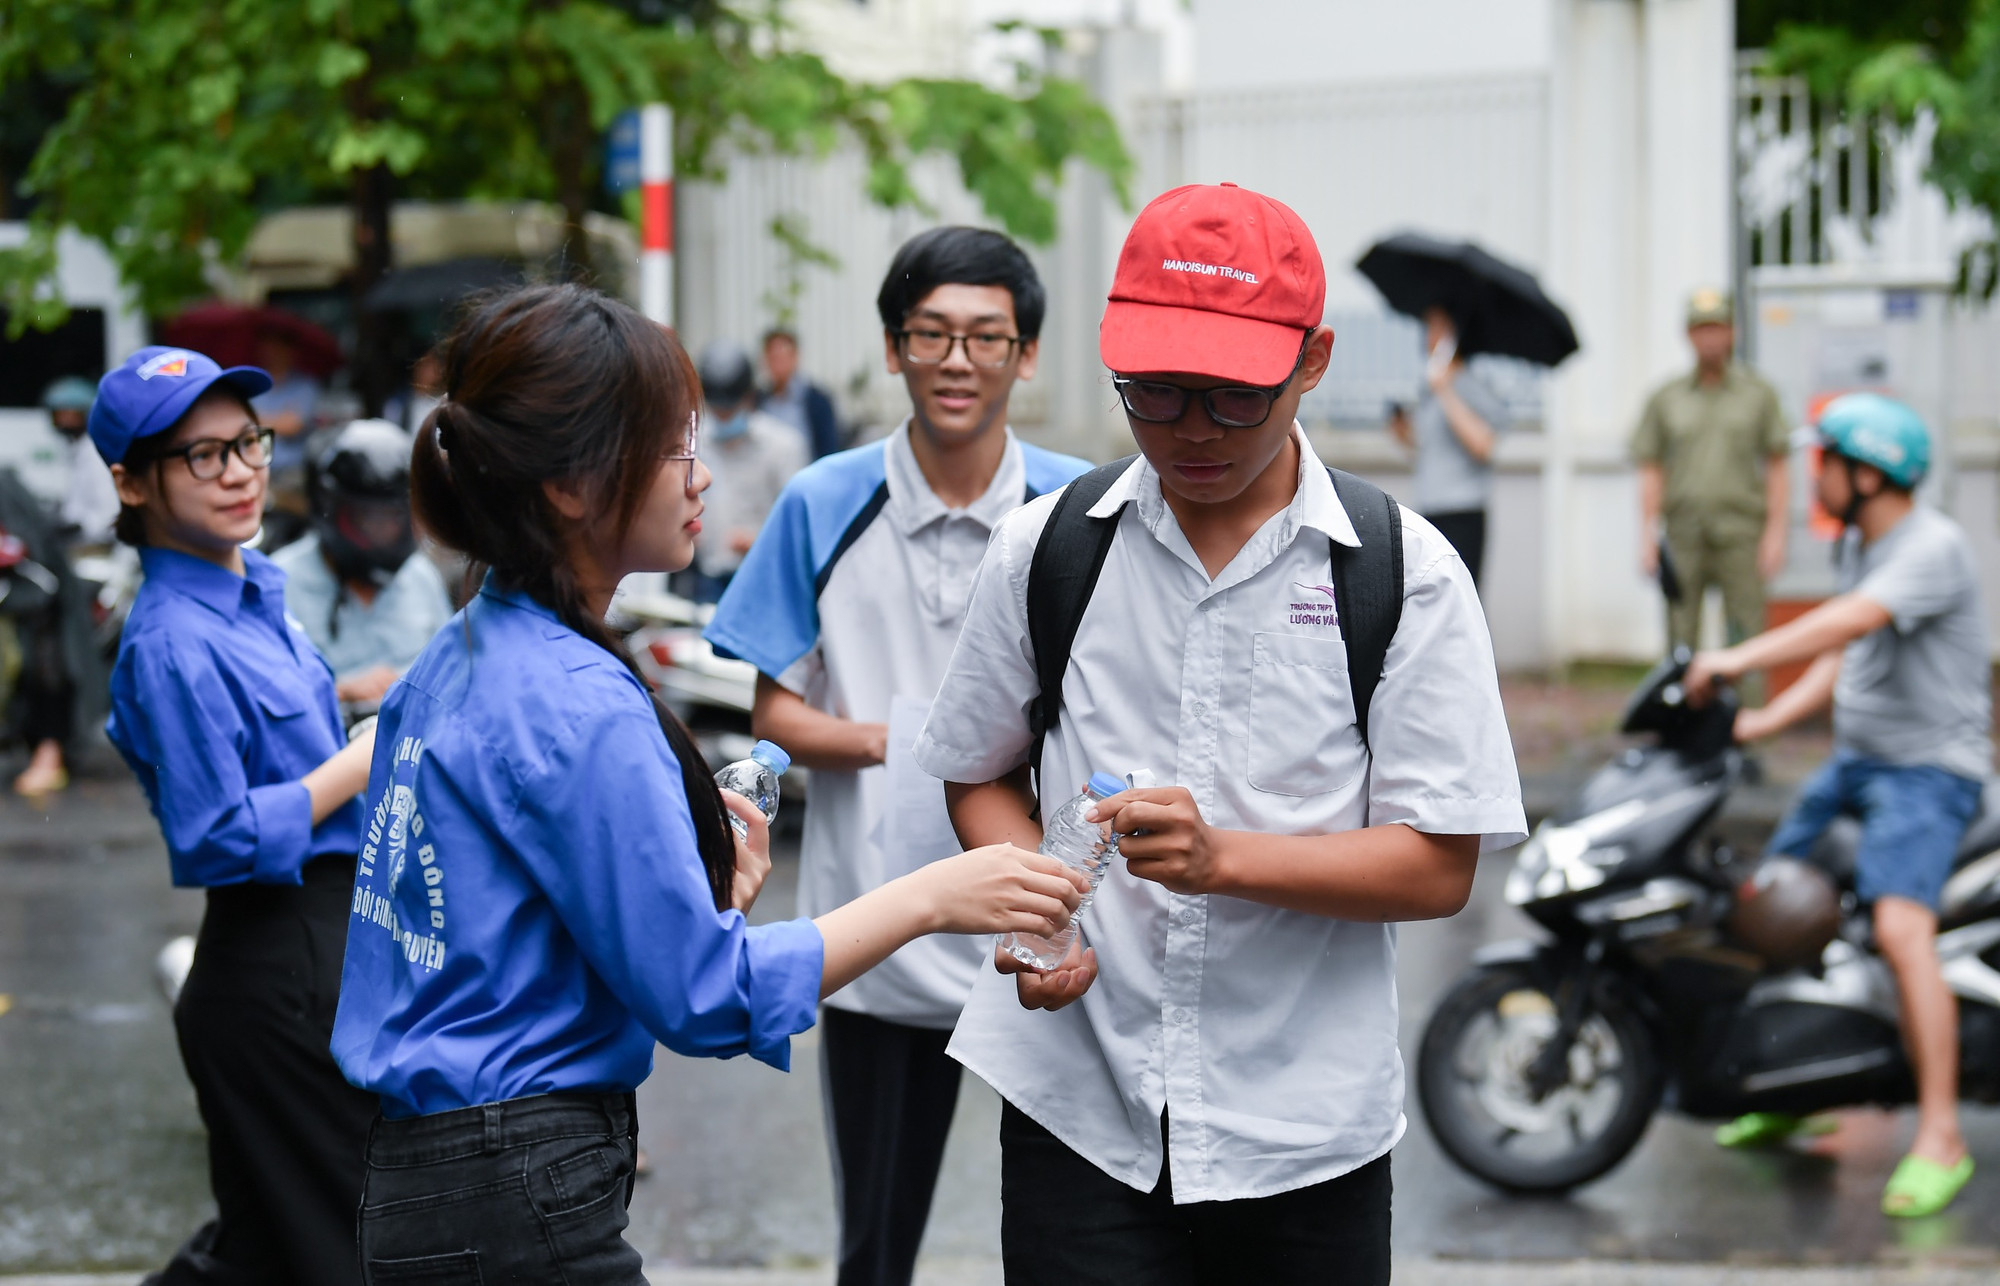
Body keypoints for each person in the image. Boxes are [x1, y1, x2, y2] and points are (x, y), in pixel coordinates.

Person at [329, 284, 1082, 1285]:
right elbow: (703, 994)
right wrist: (932, 896)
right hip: (516, 1186)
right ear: (569, 484)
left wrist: (703, 896)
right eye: (675, 447)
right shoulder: (576, 696)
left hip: (428, 1176)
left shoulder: (460, 654)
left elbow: (518, 927)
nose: (701, 476)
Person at [913, 183, 1526, 1286]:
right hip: (1079, 1112)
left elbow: (1438, 863)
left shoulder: (1401, 574)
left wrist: (1221, 859)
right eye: (1153, 390)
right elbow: (978, 772)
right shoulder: (1045, 550)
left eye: (1232, 395)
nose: (1190, 428)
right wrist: (1036, 911)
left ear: (1312, 359)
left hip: (1303, 1135)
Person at [706, 227, 1090, 1286]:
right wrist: (919, 741)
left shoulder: (1077, 508)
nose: (957, 359)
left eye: (984, 336)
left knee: (1073, 1236)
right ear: (892, 348)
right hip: (872, 929)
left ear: (1026, 354)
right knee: (874, 1246)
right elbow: (776, 714)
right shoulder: (822, 499)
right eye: (931, 333)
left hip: (1043, 928)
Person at [89, 345, 381, 1286]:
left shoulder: (256, 592)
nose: (241, 472)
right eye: (202, 456)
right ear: (131, 484)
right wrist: (360, 759)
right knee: (347, 1249)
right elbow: (215, 837)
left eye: (248, 443)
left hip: (326, 945)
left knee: (263, 1253)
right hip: (277, 966)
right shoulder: (171, 639)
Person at [1683, 393, 1987, 1220]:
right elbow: (1846, 657)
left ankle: (1938, 1134)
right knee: (1773, 904)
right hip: (1855, 766)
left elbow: (1846, 622)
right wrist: (1762, 722)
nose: (1813, 476)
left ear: (1867, 472)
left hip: (1928, 775)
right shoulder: (1866, 542)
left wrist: (1737, 656)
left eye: (1825, 461)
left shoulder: (1931, 547)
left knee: (1898, 929)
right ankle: (1796, 1085)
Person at [1633, 287, 1791, 653]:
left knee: (1747, 633)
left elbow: (1778, 465)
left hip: (1741, 533)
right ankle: (1682, 711)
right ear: (1688, 334)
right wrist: (1647, 535)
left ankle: (1749, 711)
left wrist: (1775, 535)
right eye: (1702, 328)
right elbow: (1651, 467)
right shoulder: (1667, 397)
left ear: (1733, 332)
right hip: (1683, 532)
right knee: (1680, 635)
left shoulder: (1758, 394)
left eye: (1718, 327)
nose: (1710, 338)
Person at [272, 419, 452, 710]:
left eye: (394, 516)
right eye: (368, 516)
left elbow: (452, 670)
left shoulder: (420, 576)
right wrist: (340, 691)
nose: (383, 529)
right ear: (331, 509)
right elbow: (265, 697)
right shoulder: (280, 583)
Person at [1387, 306, 1506, 585]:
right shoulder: (1429, 389)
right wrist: (1402, 431)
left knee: (1462, 600)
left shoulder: (1470, 384)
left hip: (1462, 511)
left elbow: (1483, 445)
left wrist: (1446, 390)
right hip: (1430, 509)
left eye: (1439, 329)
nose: (1429, 337)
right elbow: (1427, 449)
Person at [686, 339, 807, 601]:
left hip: (763, 577)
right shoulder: (694, 443)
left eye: (730, 409)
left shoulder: (783, 446)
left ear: (749, 397)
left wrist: (760, 542)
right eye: (718, 410)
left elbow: (798, 525)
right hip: (706, 578)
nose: (724, 417)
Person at [44, 375, 120, 546]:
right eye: (58, 414)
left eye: (71, 414)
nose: (63, 421)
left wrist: (76, 529)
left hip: (95, 545)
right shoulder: (76, 449)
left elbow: (109, 513)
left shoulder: (95, 451)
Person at [760, 327, 843, 459]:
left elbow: (829, 449)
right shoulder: (758, 400)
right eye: (773, 358)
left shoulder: (817, 401)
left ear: (795, 357)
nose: (778, 364)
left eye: (782, 357)